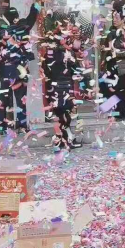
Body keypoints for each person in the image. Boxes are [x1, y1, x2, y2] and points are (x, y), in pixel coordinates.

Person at [0, 2, 40, 133]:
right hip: (20, 70)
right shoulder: (23, 27)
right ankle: (22, 126)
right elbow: (32, 16)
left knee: (2, 99)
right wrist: (36, 4)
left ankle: (1, 127)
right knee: (21, 99)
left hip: (5, 71)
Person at [41, 15, 83, 149]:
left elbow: (46, 70)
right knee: (65, 115)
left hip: (55, 87)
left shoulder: (50, 51)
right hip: (63, 86)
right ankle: (65, 140)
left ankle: (64, 140)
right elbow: (75, 68)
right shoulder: (65, 51)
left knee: (61, 114)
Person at [101, 3, 125, 121]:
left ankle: (122, 114)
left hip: (122, 66)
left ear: (123, 19)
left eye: (117, 18)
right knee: (108, 89)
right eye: (113, 18)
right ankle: (112, 112)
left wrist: (118, 53)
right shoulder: (111, 32)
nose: (114, 20)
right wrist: (104, 53)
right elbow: (108, 48)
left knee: (120, 90)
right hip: (111, 65)